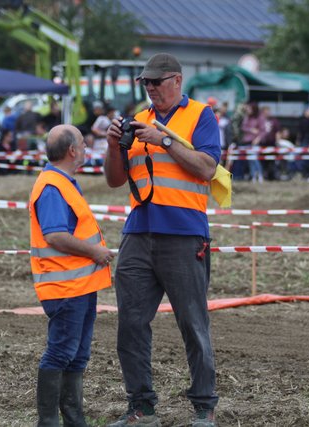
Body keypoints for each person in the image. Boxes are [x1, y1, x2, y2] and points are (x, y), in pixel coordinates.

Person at [104, 53, 220, 426]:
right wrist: (113, 146)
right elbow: (114, 180)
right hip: (139, 232)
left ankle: (204, 406)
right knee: (131, 323)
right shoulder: (139, 119)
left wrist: (165, 140)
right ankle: (141, 407)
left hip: (184, 234)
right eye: (146, 83)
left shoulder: (201, 115)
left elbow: (207, 168)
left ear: (177, 80)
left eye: (157, 81)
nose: (151, 88)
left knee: (193, 323)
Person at [29, 124, 114, 426]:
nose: (87, 148)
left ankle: (74, 418)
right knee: (61, 353)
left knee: (77, 355)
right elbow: (55, 236)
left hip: (79, 285)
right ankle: (49, 421)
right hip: (65, 288)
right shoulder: (53, 187)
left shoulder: (63, 182)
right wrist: (94, 252)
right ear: (72, 151)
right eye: (83, 143)